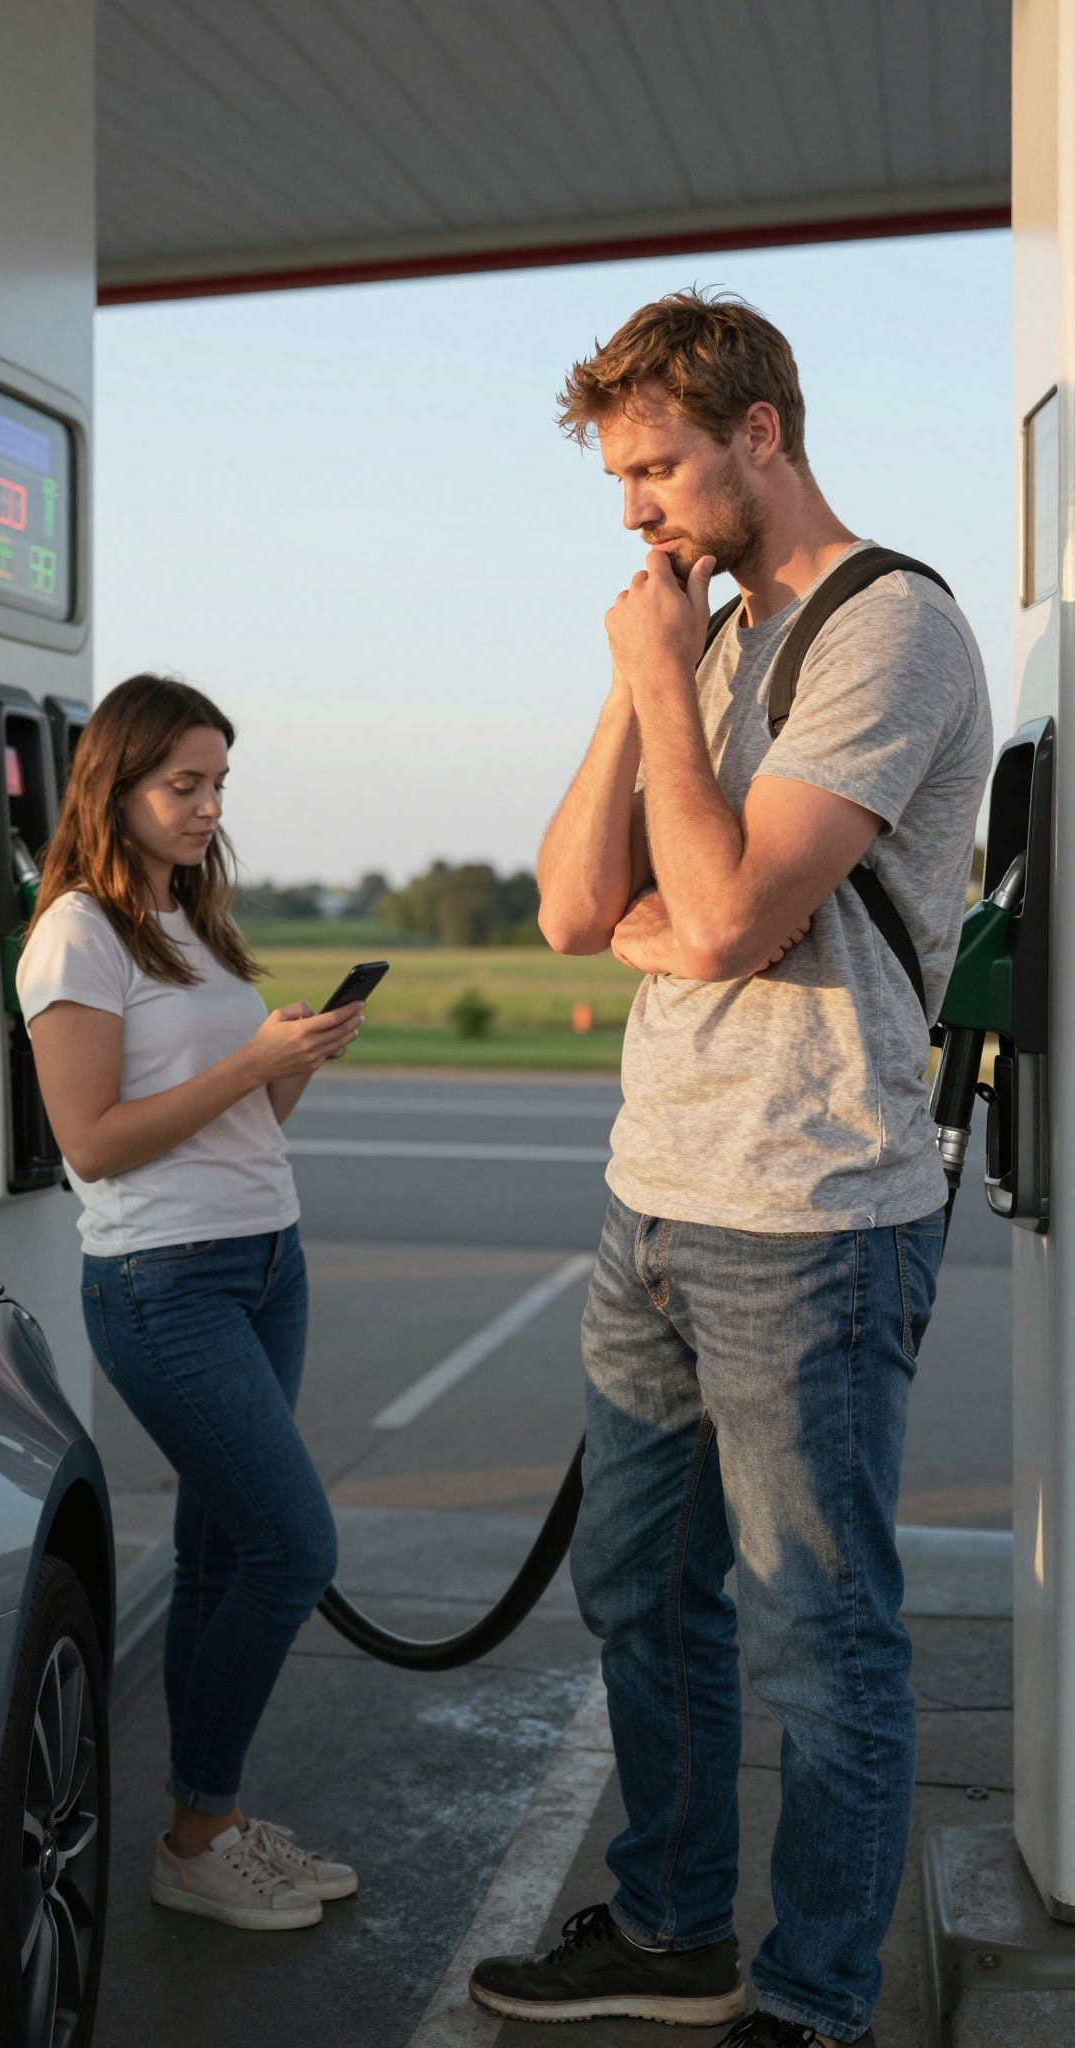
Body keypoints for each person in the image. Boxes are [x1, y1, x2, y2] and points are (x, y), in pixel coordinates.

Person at [468, 291, 992, 2044]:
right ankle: (680, 1924)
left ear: (757, 430)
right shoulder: (688, 642)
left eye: (656, 467)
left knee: (815, 1638)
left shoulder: (888, 628)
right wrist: (644, 687)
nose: (634, 510)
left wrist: (673, 816)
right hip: (657, 1200)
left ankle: (813, 1992)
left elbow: (716, 910)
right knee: (638, 1588)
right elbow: (567, 907)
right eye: (618, 475)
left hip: (812, 1220)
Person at [18, 674, 364, 1932]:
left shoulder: (190, 919)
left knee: (224, 1552)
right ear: (115, 785)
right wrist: (250, 1059)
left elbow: (244, 1114)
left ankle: (207, 1823)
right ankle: (195, 1832)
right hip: (167, 1284)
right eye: (185, 784)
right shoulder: (77, 932)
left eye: (220, 782)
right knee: (293, 1546)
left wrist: (294, 1064)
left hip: (267, 1262)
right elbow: (93, 1141)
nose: (210, 806)